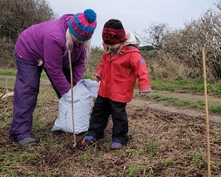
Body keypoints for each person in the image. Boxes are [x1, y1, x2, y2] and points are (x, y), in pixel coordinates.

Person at [9, 9, 97, 145]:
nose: (80, 43)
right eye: (78, 40)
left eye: (84, 41)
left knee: (70, 87)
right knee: (29, 89)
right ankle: (20, 132)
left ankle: (69, 123)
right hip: (28, 51)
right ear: (71, 33)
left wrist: (76, 86)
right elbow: (54, 69)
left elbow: (78, 64)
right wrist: (68, 92)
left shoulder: (82, 42)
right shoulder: (55, 36)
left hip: (57, 56)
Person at [82, 19, 151, 150]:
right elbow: (103, 64)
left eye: (112, 44)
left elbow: (142, 69)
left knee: (118, 115)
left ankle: (120, 138)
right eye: (107, 44)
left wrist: (144, 86)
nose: (109, 47)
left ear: (121, 39)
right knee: (98, 111)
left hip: (120, 91)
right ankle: (94, 132)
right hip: (105, 89)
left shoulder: (132, 53)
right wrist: (99, 73)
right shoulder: (108, 50)